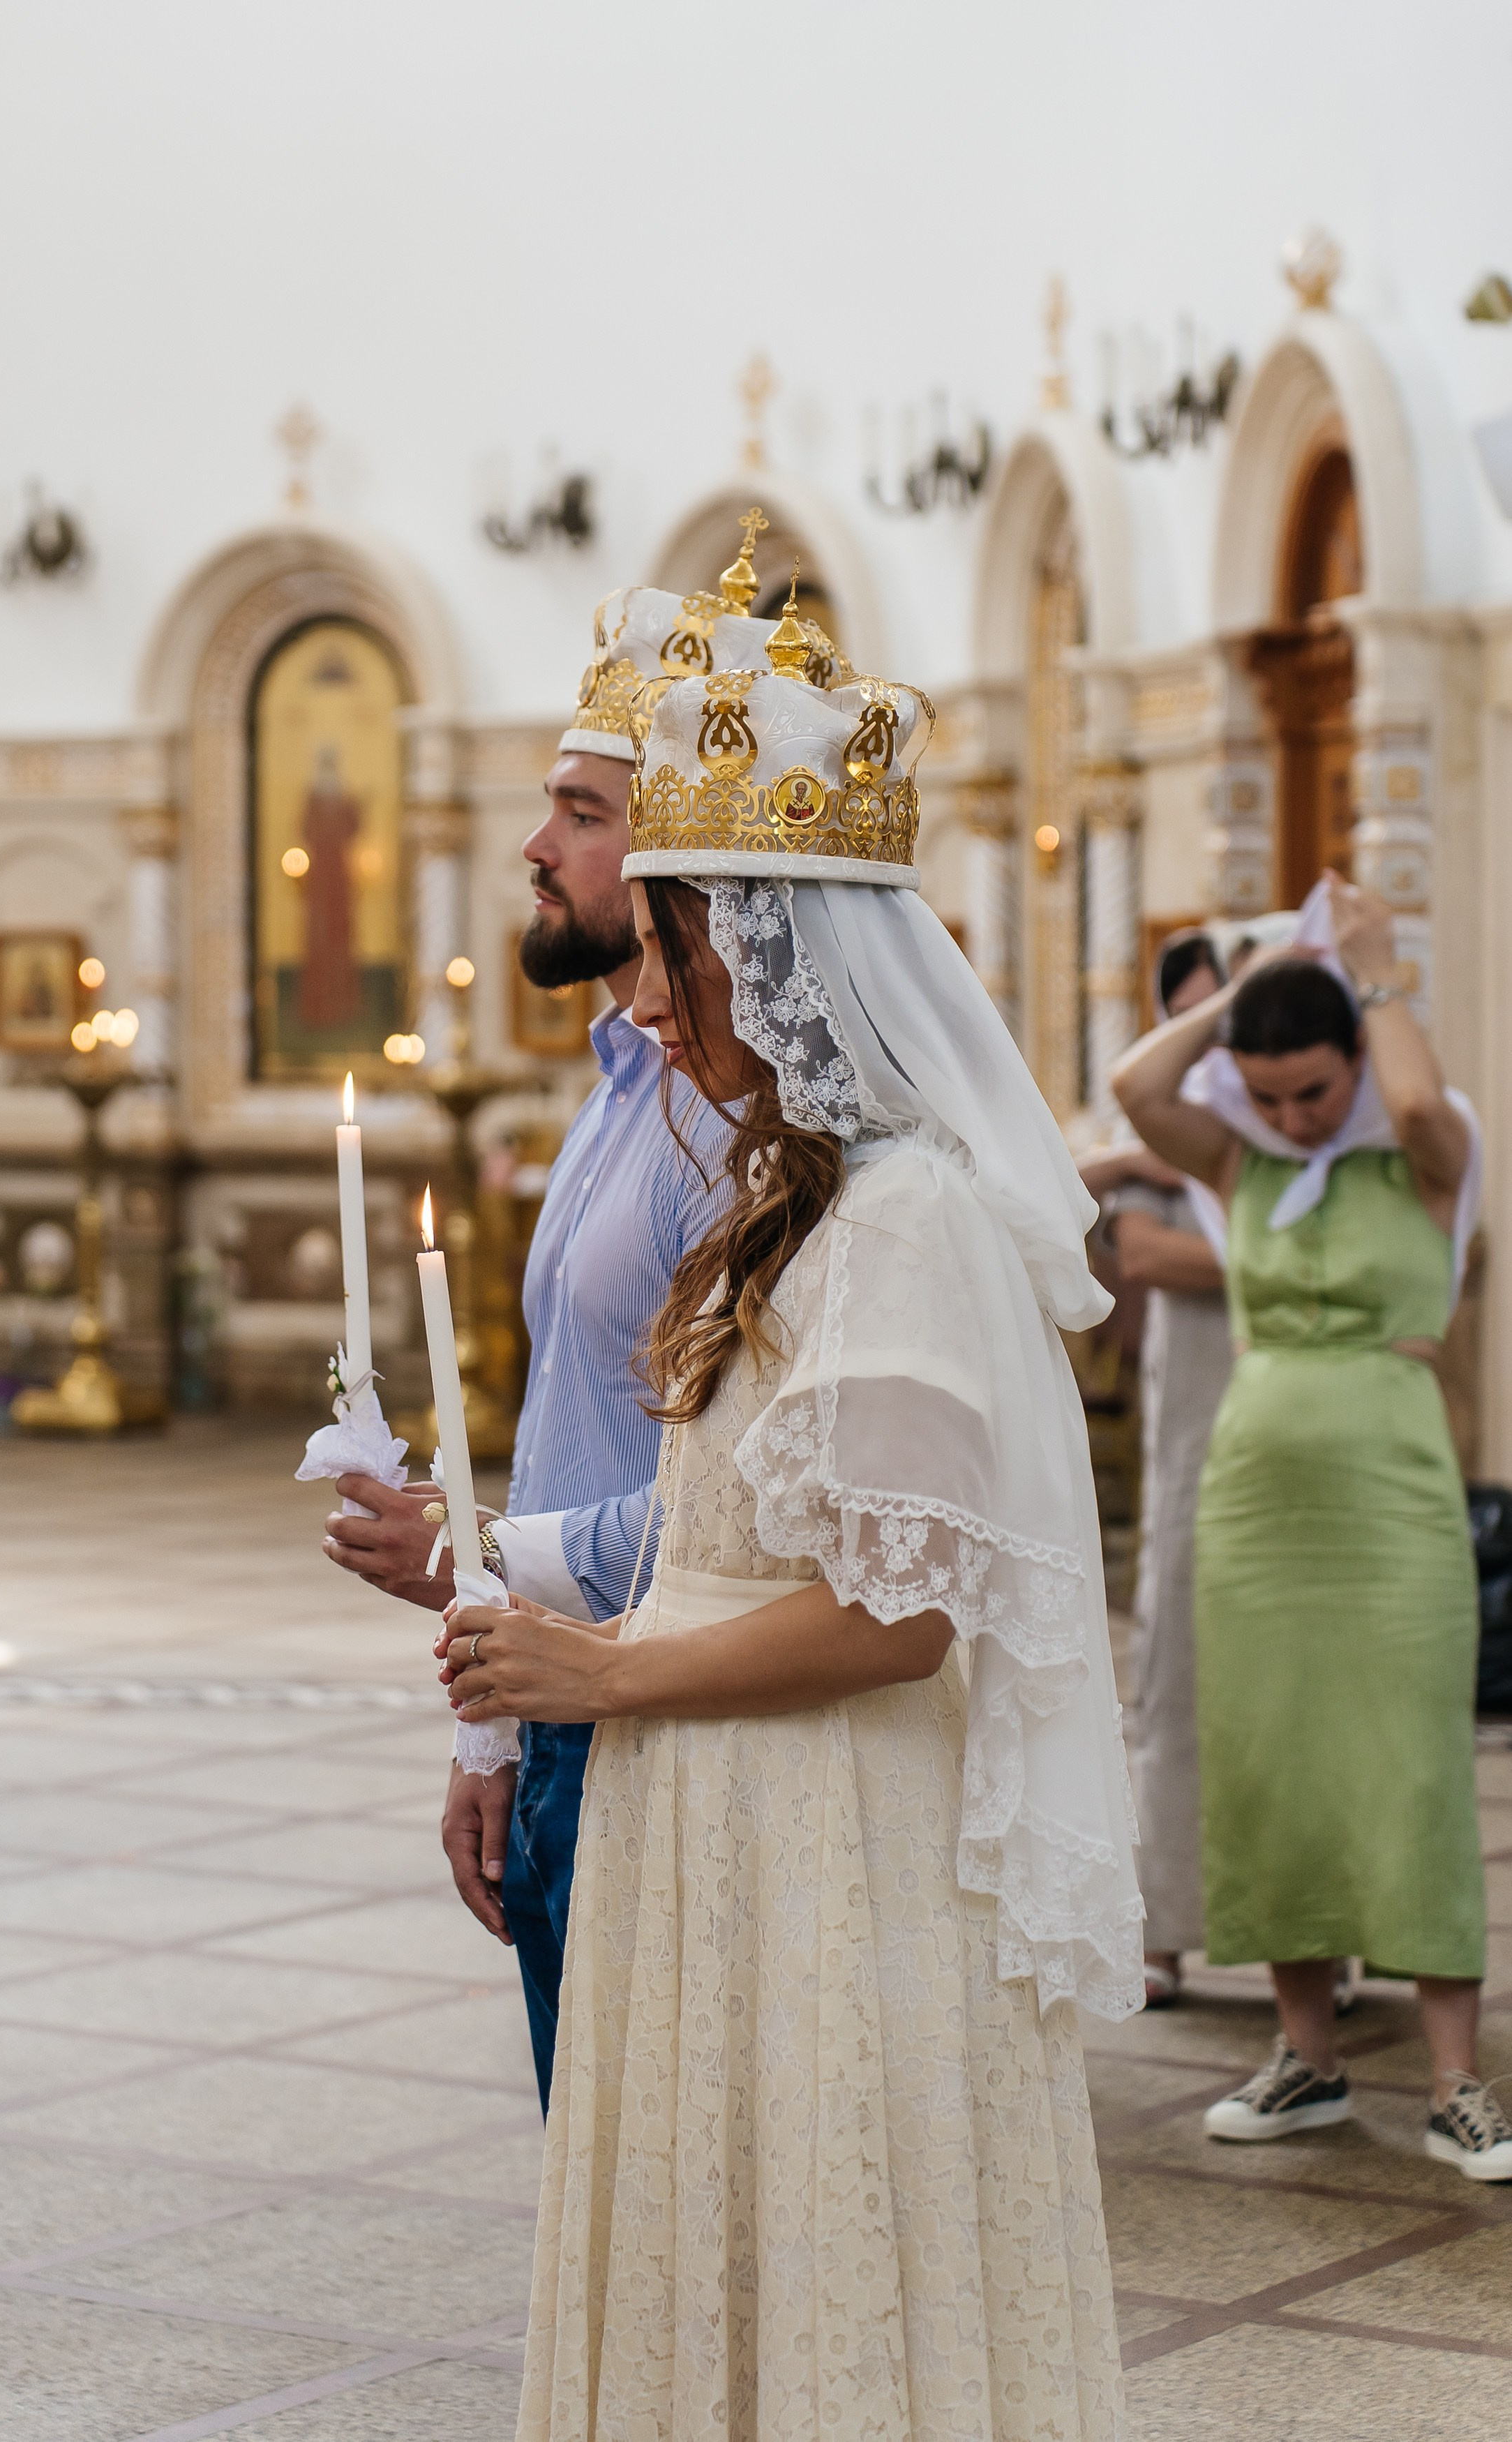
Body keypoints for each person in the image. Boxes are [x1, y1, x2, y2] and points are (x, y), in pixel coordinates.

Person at [445, 626, 1139, 2436]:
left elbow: (895, 1614)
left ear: (766, 948)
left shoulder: (902, 1218)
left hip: (826, 1808)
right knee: (717, 2249)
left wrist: (600, 1663)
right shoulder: (792, 1195)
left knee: (828, 2262)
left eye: (673, 952)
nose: (652, 1000)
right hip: (719, 1789)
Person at [322, 522, 846, 2106]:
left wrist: (476, 1564)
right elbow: (572, 1427)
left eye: (581, 811)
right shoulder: (630, 1076)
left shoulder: (748, 1128)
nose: (536, 849)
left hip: (669, 1702)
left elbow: (760, 1501)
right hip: (559, 1694)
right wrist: (490, 1724)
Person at [1113, 876, 1510, 2181]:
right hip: (1255, 1504)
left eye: (1311, 1092)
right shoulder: (1237, 1160)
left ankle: (1457, 2080)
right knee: (1268, 1759)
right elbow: (1135, 1085)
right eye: (1268, 1094)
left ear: (1354, 1056)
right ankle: (1307, 2059)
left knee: (1408, 1762)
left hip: (1392, 1494)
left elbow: (1401, 1096)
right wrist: (1252, 984)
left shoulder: (1428, 1148)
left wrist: (1367, 971)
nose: (1292, 1116)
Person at [1105, 931, 1231, 2007]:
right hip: (1196, 1412)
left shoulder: (1281, 1126)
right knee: (1176, 1661)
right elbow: (1143, 1254)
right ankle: (1164, 1923)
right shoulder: (1167, 1142)